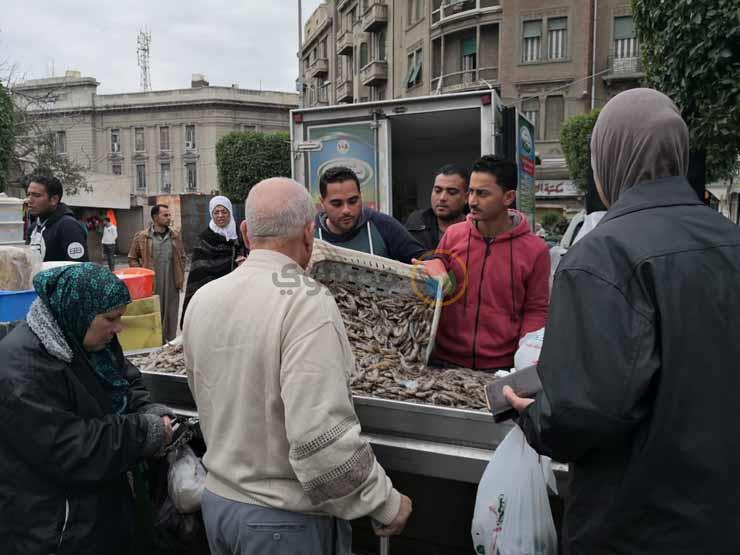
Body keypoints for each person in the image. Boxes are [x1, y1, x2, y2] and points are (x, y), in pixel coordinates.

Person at [503, 89, 740, 554]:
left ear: (608, 159)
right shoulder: (731, 239)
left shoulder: (603, 255)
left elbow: (581, 413)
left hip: (635, 527)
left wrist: (531, 413)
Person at [184, 178, 412, 555]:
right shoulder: (307, 302)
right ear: (310, 233)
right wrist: (384, 501)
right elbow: (319, 437)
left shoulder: (204, 298)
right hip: (280, 522)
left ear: (245, 231)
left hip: (219, 506)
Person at [0, 263, 174, 555]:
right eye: (111, 319)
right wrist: (142, 432)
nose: (118, 328)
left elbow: (125, 383)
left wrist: (148, 409)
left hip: (100, 516)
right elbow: (70, 448)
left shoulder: (87, 337)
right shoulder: (21, 369)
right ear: (79, 311)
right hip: (55, 530)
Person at [422, 156, 550, 371]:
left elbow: (536, 309)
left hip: (501, 367)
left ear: (508, 197)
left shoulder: (536, 250)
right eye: (470, 192)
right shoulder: (454, 234)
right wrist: (435, 266)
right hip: (443, 362)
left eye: (482, 194)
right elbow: (437, 261)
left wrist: (525, 358)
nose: (472, 201)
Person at [315, 166, 425, 263]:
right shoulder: (308, 234)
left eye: (353, 201)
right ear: (322, 202)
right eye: (337, 204)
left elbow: (423, 261)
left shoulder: (383, 225)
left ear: (360, 196)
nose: (346, 210)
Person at [181, 195, 246, 327]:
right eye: (216, 212)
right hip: (211, 295)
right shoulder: (205, 238)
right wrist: (232, 263)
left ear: (230, 213)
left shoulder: (239, 236)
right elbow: (199, 270)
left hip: (235, 294)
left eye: (224, 211)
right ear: (211, 214)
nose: (220, 215)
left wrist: (244, 263)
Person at [128, 204, 186, 342]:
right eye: (165, 215)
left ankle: (169, 342)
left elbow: (182, 256)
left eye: (169, 215)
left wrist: (180, 274)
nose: (168, 218)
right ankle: (154, 342)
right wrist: (141, 274)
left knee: (171, 312)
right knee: (154, 311)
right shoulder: (142, 236)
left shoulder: (175, 236)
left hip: (172, 280)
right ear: (155, 217)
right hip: (152, 282)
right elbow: (132, 258)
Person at [405, 164, 469, 251]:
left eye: (451, 192)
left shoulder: (476, 229)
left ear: (466, 198)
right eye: (437, 191)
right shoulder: (416, 223)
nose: (442, 198)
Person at [27, 174, 89, 262]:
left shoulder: (68, 226)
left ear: (54, 199)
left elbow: (79, 269)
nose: (29, 200)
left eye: (36, 195)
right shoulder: (33, 227)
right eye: (28, 194)